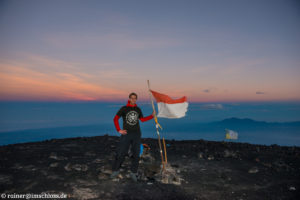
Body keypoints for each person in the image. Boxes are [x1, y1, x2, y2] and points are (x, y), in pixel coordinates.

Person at [111, 92, 155, 182]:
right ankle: (116, 170)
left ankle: (133, 172)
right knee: (121, 153)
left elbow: (142, 120)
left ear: (136, 99)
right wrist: (119, 130)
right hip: (126, 134)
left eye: (135, 98)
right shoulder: (124, 108)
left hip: (136, 134)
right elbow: (115, 119)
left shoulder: (138, 109)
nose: (133, 99)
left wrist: (152, 116)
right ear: (129, 99)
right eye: (132, 98)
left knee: (136, 154)